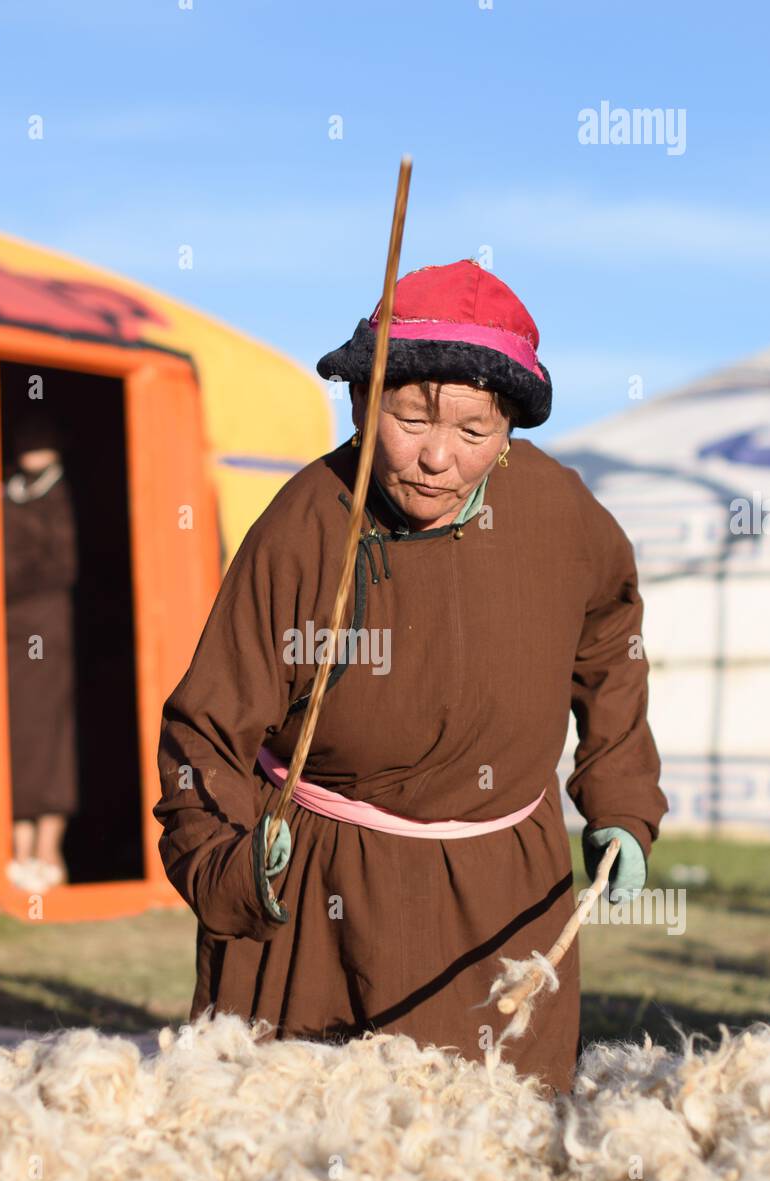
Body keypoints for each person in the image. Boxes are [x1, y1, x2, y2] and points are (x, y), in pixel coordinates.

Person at [152, 259, 668, 1096]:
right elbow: (204, 729)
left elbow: (611, 637)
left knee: (497, 1161)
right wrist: (231, 860)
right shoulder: (304, 525)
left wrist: (621, 800)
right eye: (410, 416)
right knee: (295, 1164)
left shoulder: (560, 512)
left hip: (504, 895)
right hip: (316, 891)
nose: (436, 457)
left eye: (472, 432)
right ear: (362, 404)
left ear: (508, 434)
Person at [2, 416, 78, 894]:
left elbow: (60, 565)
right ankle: (19, 849)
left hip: (46, 631)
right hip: (6, 632)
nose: (30, 444)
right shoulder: (2, 492)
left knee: (50, 732)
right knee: (13, 733)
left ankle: (49, 852)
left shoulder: (61, 497)